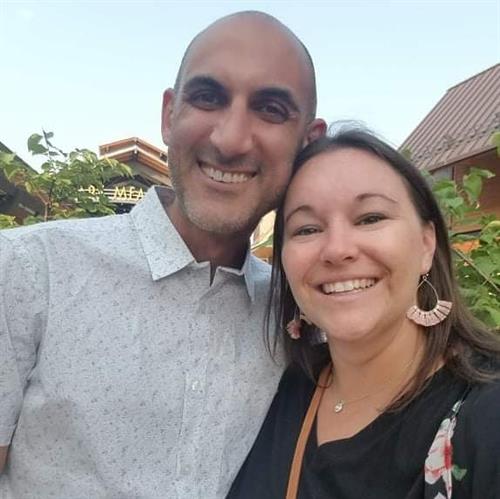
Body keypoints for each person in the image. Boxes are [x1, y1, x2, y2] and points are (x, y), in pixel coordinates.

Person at [0, 11, 326, 498]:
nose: (230, 140)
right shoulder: (29, 271)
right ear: (169, 115)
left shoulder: (302, 316)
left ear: (308, 142)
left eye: (271, 109)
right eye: (208, 97)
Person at [227, 127, 500, 499]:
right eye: (307, 229)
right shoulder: (285, 388)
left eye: (370, 218)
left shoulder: (484, 414)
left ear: (426, 244)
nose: (337, 250)